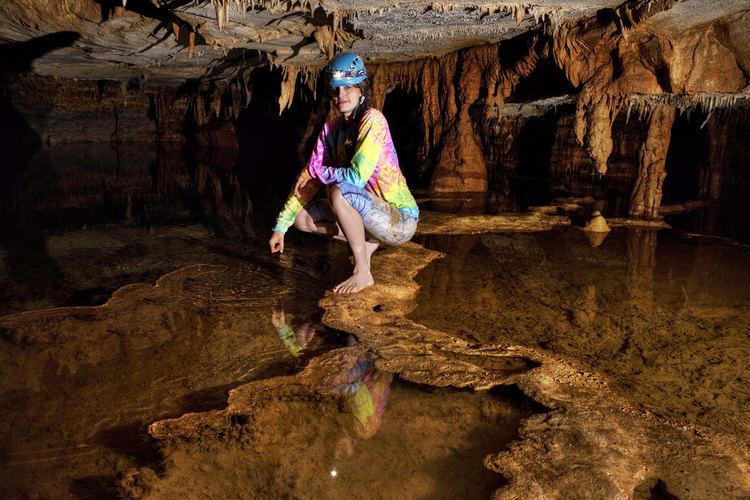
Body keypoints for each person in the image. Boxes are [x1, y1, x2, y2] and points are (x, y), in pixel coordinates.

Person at [268, 52, 419, 294]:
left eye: (348, 88)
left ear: (361, 89)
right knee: (302, 219)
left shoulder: (373, 121)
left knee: (339, 192)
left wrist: (316, 172)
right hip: (367, 216)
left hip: (398, 219)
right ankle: (366, 243)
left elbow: (356, 178)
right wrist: (280, 227)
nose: (341, 96)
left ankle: (362, 272)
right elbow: (308, 179)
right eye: (336, 90)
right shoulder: (331, 130)